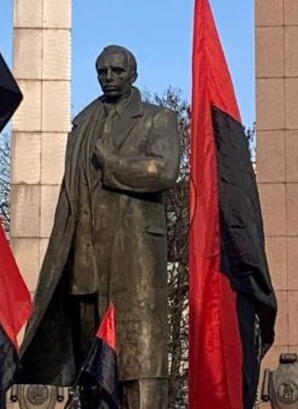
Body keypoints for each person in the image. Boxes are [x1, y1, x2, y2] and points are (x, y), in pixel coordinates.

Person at [17, 45, 179, 408]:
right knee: (91, 366)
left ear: (133, 75)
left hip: (132, 260)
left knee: (140, 362)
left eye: (117, 71)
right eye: (102, 72)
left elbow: (164, 170)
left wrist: (113, 164)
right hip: (85, 264)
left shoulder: (157, 118)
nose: (109, 78)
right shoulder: (83, 125)